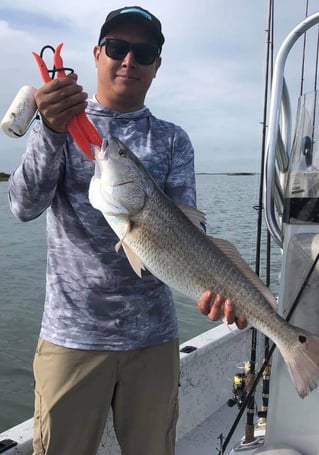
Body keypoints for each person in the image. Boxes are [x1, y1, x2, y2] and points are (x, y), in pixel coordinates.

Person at [8, 6, 246, 455]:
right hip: (72, 337)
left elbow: (188, 229)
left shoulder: (173, 139)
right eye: (117, 48)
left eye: (144, 52)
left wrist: (218, 291)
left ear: (157, 64)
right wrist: (50, 132)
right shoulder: (60, 122)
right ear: (97, 54)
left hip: (153, 340)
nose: (129, 61)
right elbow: (22, 206)